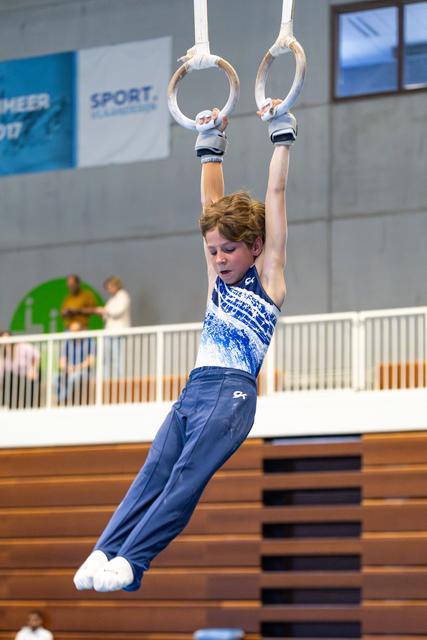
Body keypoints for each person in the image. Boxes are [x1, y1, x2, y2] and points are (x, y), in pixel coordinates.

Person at [73, 99, 295, 592]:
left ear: (256, 246)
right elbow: (210, 206)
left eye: (229, 250)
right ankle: (106, 548)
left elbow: (275, 194)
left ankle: (133, 561)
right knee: (153, 470)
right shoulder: (216, 279)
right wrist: (209, 144)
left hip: (233, 395)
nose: (218, 259)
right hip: (194, 391)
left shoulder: (269, 278)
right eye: (213, 250)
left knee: (185, 478)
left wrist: (281, 134)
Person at [90, 277, 131, 379]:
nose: (109, 290)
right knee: (105, 358)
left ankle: (119, 380)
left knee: (118, 358)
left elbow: (117, 311)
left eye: (110, 287)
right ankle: (105, 379)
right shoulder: (112, 299)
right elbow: (107, 315)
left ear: (116, 285)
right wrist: (102, 313)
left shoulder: (123, 296)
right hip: (108, 332)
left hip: (119, 332)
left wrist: (104, 310)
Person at [55, 320, 96, 405]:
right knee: (54, 378)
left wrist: (76, 368)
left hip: (84, 372)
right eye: (71, 331)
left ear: (81, 331)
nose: (72, 333)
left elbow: (91, 360)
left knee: (73, 377)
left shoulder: (89, 341)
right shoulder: (67, 342)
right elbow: (62, 360)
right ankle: (64, 398)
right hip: (69, 370)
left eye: (75, 331)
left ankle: (64, 400)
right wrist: (67, 368)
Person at [0, 331, 40, 409]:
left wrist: (33, 369)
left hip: (27, 375)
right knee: (8, 378)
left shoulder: (22, 346)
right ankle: (7, 406)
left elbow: (36, 355)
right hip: (13, 378)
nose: (5, 344)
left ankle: (30, 407)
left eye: (7, 340)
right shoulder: (2, 354)